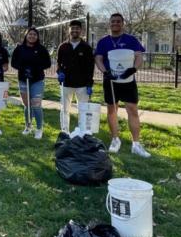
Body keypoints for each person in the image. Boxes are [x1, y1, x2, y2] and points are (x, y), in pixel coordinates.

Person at [95, 12, 151, 157]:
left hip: (128, 80)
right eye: (113, 21)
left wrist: (133, 69)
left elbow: (139, 56)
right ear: (109, 23)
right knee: (112, 110)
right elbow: (98, 59)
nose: (115, 23)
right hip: (111, 80)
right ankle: (115, 139)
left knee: (132, 110)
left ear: (122, 23)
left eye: (118, 21)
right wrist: (105, 72)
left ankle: (136, 144)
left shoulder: (131, 40)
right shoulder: (103, 42)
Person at [11, 27, 52, 139]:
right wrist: (23, 69)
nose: (32, 36)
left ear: (37, 37)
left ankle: (39, 128)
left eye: (34, 34)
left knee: (36, 105)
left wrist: (34, 68)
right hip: (23, 79)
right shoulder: (19, 49)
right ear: (26, 35)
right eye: (30, 34)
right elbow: (13, 63)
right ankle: (28, 126)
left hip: (37, 80)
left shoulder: (41, 49)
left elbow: (48, 63)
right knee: (27, 104)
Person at [56, 18, 95, 133]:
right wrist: (60, 72)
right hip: (66, 83)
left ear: (81, 30)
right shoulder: (63, 47)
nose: (75, 30)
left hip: (82, 85)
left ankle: (82, 133)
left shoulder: (86, 48)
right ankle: (65, 132)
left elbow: (90, 67)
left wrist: (89, 84)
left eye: (77, 28)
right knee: (64, 109)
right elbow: (58, 63)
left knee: (83, 110)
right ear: (69, 30)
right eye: (72, 28)